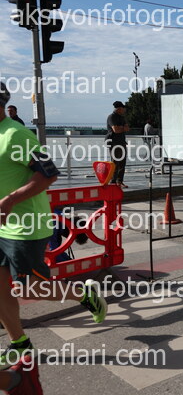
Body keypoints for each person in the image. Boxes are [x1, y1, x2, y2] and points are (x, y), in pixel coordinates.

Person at [0, 82, 107, 371]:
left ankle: (84, 294)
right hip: (1, 226)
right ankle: (19, 344)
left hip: (25, 227)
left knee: (29, 289)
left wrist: (10, 200)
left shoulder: (15, 134)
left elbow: (49, 174)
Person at [106, 101, 129, 188]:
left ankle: (120, 181)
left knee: (122, 163)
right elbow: (115, 130)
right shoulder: (111, 117)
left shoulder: (122, 118)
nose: (124, 110)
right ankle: (113, 182)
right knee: (115, 163)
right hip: (114, 142)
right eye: (123, 108)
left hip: (122, 142)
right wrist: (122, 128)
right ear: (119, 109)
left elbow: (127, 128)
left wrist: (120, 128)